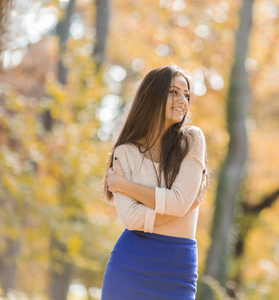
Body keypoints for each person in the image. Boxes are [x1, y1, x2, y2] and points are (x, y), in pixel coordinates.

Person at [101, 65, 209, 299]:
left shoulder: (192, 140)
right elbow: (131, 219)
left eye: (186, 95)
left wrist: (125, 185)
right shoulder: (125, 152)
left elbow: (179, 203)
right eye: (174, 92)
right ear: (153, 95)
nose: (182, 100)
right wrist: (185, 206)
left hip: (177, 269)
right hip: (129, 267)